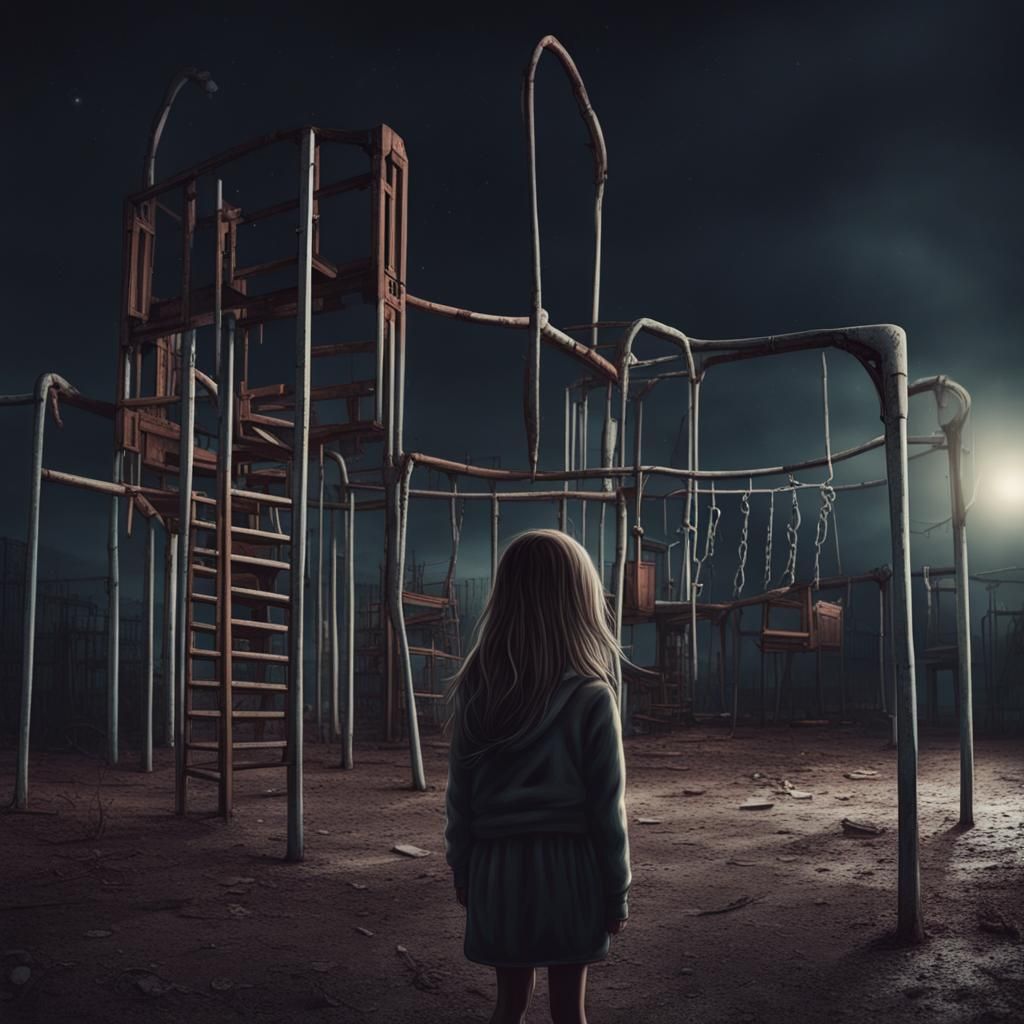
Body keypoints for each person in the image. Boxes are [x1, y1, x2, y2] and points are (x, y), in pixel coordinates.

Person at [443, 528, 632, 1024]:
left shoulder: (478, 689)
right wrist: (616, 891)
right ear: (579, 603)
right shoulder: (593, 697)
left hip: (497, 871)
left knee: (509, 1005)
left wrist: (462, 867)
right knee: (570, 1011)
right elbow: (607, 811)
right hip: (570, 873)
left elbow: (460, 795)